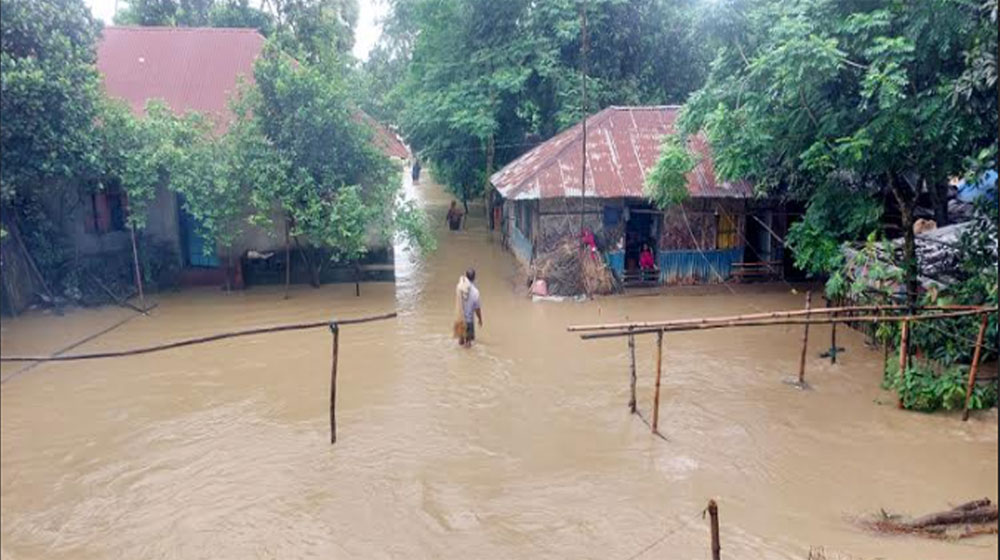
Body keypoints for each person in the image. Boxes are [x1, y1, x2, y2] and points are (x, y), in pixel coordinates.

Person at [453, 268, 482, 347]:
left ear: (466, 276)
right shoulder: (475, 292)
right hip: (469, 321)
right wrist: (480, 319)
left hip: (459, 319)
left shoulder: (459, 287)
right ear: (474, 278)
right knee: (468, 344)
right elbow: (477, 309)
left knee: (460, 342)